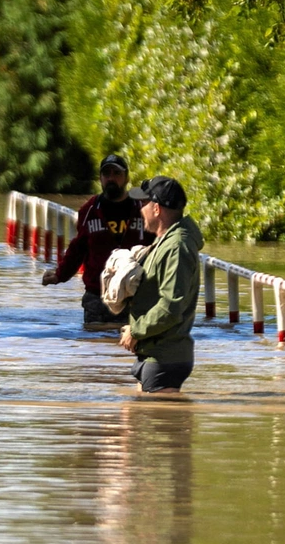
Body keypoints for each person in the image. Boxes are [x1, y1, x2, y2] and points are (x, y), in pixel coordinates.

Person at [42, 154, 153, 328]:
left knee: (130, 349)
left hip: (134, 296)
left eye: (116, 173)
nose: (111, 178)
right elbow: (78, 248)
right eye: (106, 174)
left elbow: (157, 245)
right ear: (100, 178)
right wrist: (59, 275)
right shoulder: (90, 210)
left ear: (127, 178)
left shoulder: (141, 209)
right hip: (97, 297)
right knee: (95, 350)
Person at [118, 176, 205, 393]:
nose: (140, 210)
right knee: (138, 420)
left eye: (143, 204)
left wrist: (136, 331)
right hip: (154, 354)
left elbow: (170, 307)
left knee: (161, 424)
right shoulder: (165, 241)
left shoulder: (177, 247)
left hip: (165, 358)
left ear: (156, 209)